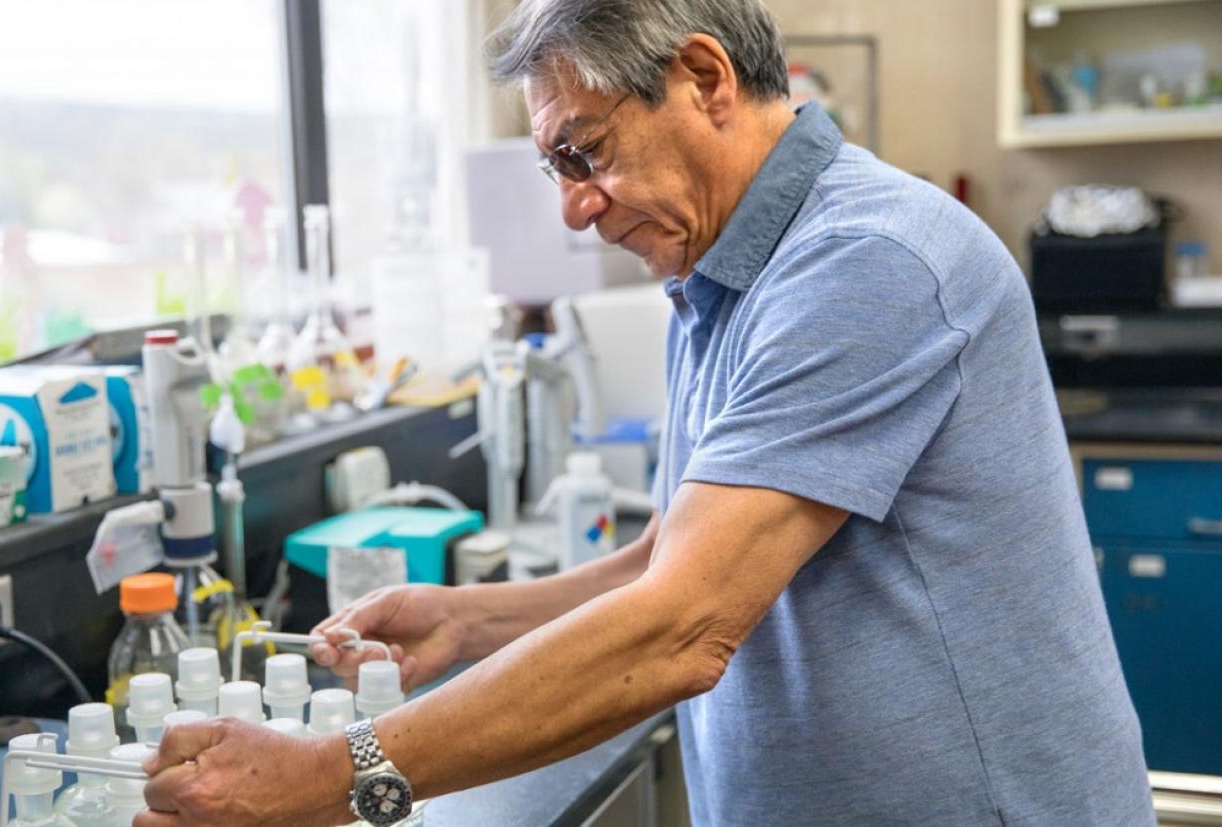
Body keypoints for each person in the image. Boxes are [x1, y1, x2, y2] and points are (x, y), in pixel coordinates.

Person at [139, 1, 1155, 824]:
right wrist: (471, 619)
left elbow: (681, 625)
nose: (573, 206)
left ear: (705, 79)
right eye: (556, 168)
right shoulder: (715, 269)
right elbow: (672, 554)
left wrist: (330, 774)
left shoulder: (865, 262)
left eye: (585, 152)